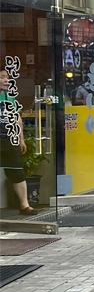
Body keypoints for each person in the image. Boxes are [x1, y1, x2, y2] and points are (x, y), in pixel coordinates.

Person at [0, 68, 34, 214]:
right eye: (2, 77)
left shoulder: (10, 97)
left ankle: (24, 205)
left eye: (7, 77)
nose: (6, 80)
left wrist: (21, 139)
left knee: (16, 171)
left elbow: (17, 118)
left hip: (9, 139)